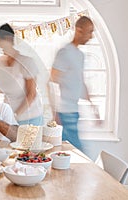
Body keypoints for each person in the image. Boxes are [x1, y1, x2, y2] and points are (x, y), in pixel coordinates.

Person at [49, 16, 99, 151]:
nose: (91, 36)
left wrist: (92, 105)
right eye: (89, 32)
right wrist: (55, 112)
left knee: (70, 153)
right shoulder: (64, 52)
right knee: (77, 152)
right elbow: (52, 80)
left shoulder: (79, 55)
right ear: (79, 30)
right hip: (64, 112)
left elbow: (80, 82)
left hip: (74, 110)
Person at [0, 23, 43, 126]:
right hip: (9, 117)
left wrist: (16, 115)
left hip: (29, 118)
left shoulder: (26, 62)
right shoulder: (0, 62)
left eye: (0, 41)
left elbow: (31, 94)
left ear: (9, 39)